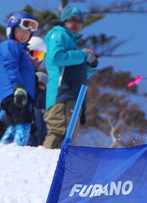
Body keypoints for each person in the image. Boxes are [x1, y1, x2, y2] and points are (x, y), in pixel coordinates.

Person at [42, 5, 98, 149]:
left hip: (73, 96)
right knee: (59, 131)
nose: (77, 24)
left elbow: (78, 74)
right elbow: (56, 57)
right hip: (61, 94)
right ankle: (47, 162)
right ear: (64, 21)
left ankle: (58, 165)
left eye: (80, 21)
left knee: (68, 135)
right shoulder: (59, 33)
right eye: (73, 20)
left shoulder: (73, 44)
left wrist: (89, 66)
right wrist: (82, 54)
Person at [0, 11, 39, 146]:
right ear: (12, 30)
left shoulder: (22, 51)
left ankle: (3, 148)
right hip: (15, 92)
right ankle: (19, 149)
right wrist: (18, 88)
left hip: (15, 93)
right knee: (24, 123)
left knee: (13, 126)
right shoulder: (10, 45)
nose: (24, 35)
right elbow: (10, 66)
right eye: (21, 31)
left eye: (27, 33)